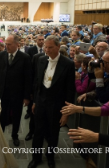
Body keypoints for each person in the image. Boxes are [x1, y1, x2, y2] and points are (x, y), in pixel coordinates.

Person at [28, 35, 75, 168]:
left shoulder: (68, 64)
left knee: (53, 133)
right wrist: (35, 102)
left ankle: (50, 156)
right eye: (45, 47)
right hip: (41, 102)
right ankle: (36, 158)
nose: (47, 50)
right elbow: (38, 83)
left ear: (58, 47)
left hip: (56, 104)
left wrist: (66, 112)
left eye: (50, 47)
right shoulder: (40, 60)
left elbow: (70, 90)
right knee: (38, 132)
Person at [0, 35, 32, 146]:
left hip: (17, 94)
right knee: (2, 115)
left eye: (9, 44)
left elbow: (28, 78)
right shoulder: (1, 55)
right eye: (6, 44)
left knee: (16, 115)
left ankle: (15, 135)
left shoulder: (25, 57)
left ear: (17, 45)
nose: (7, 46)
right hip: (2, 93)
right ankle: (0, 135)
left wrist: (26, 97)